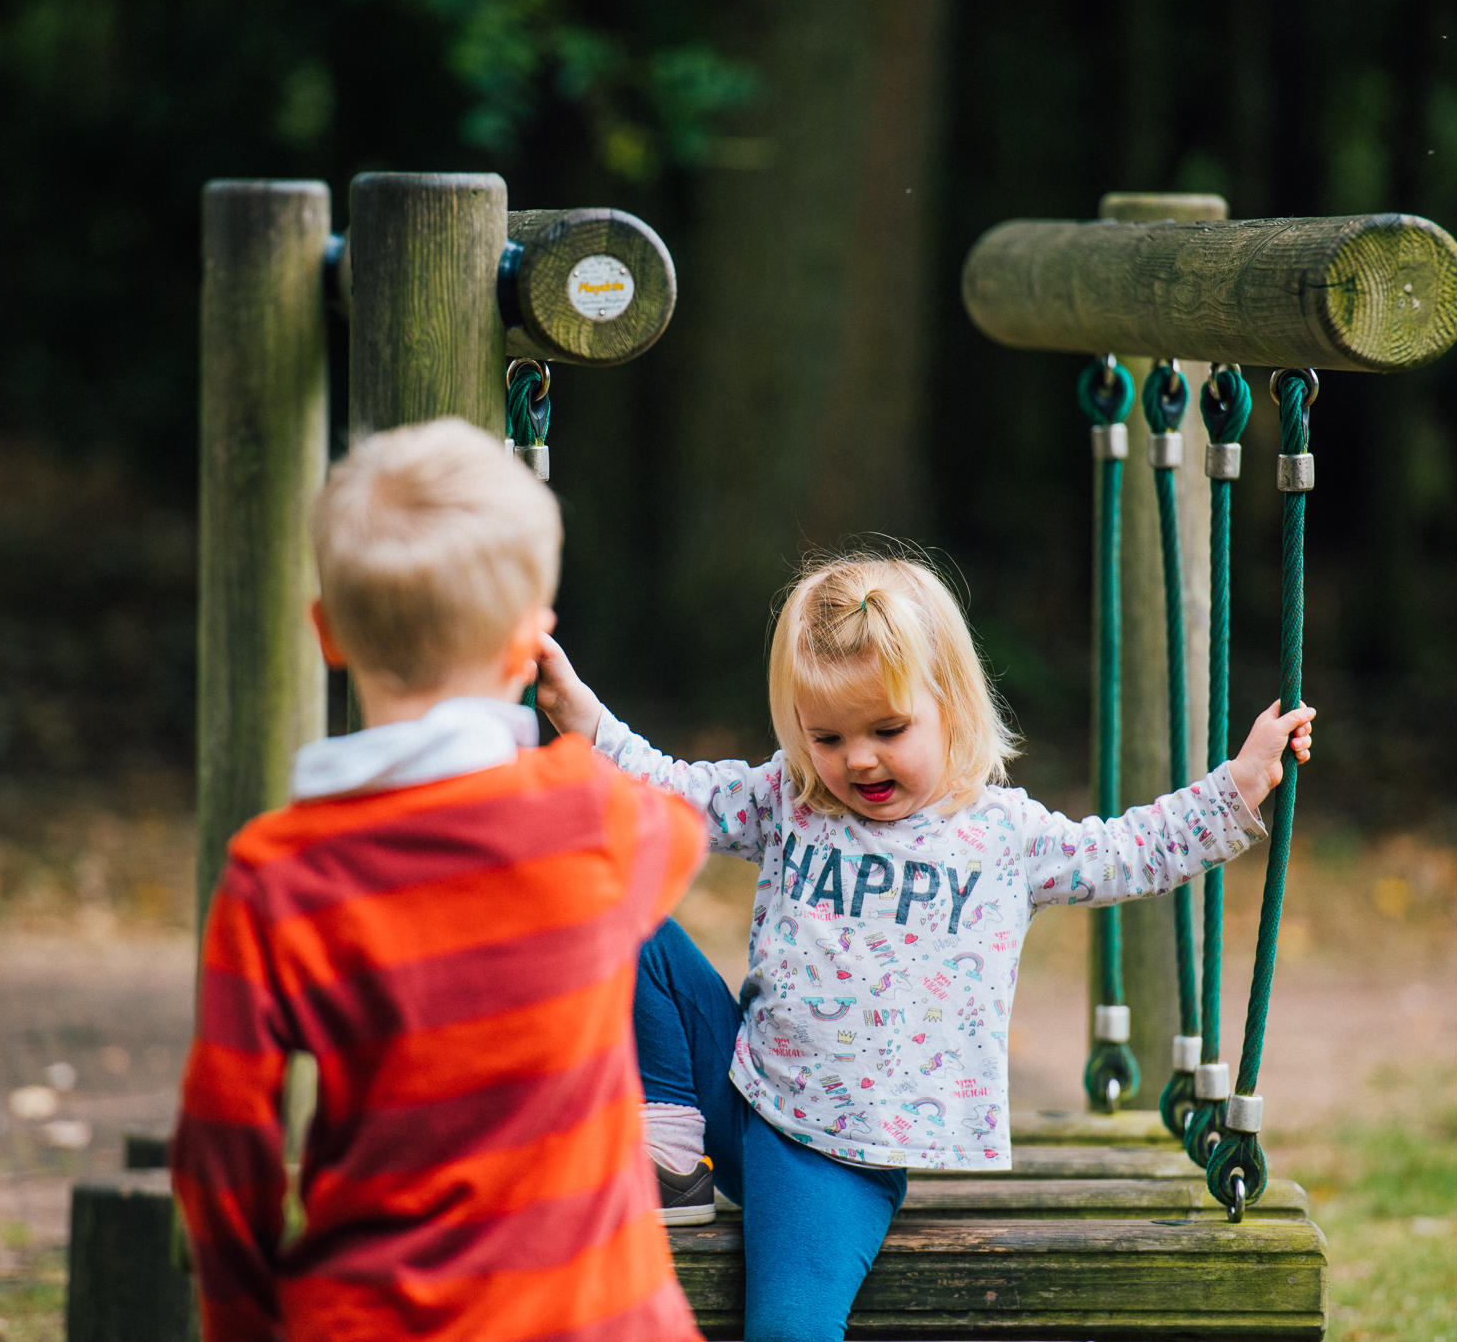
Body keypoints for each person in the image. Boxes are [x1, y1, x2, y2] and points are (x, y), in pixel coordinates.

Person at [534, 550, 1314, 1342]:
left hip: (832, 1156)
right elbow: (673, 788)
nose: (858, 758)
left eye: (888, 729)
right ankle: (671, 1150)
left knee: (788, 1328)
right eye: (827, 735)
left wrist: (1241, 783)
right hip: (738, 1088)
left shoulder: (1002, 835)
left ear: (950, 705)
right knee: (617, 904)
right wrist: (584, 718)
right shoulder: (791, 799)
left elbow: (1129, 849)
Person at [171, 419, 708, 1342]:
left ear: (327, 634)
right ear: (527, 645)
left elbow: (223, 1143)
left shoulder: (276, 874)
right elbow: (685, 836)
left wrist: (241, 1321)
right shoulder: (588, 814)